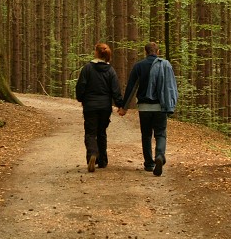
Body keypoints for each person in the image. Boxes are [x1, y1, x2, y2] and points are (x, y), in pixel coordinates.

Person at [119, 42, 178, 176]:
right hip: (160, 106)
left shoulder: (139, 66)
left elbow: (131, 87)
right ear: (158, 51)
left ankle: (149, 164)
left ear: (145, 52)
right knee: (160, 133)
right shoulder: (165, 65)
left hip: (144, 108)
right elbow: (171, 86)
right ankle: (160, 156)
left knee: (146, 135)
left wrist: (124, 107)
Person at [75, 42, 124, 172]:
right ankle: (102, 161)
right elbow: (115, 90)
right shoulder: (111, 71)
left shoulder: (87, 69)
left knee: (90, 132)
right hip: (105, 107)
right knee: (101, 132)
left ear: (96, 52)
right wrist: (120, 104)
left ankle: (92, 153)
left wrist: (81, 98)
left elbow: (81, 86)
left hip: (90, 105)